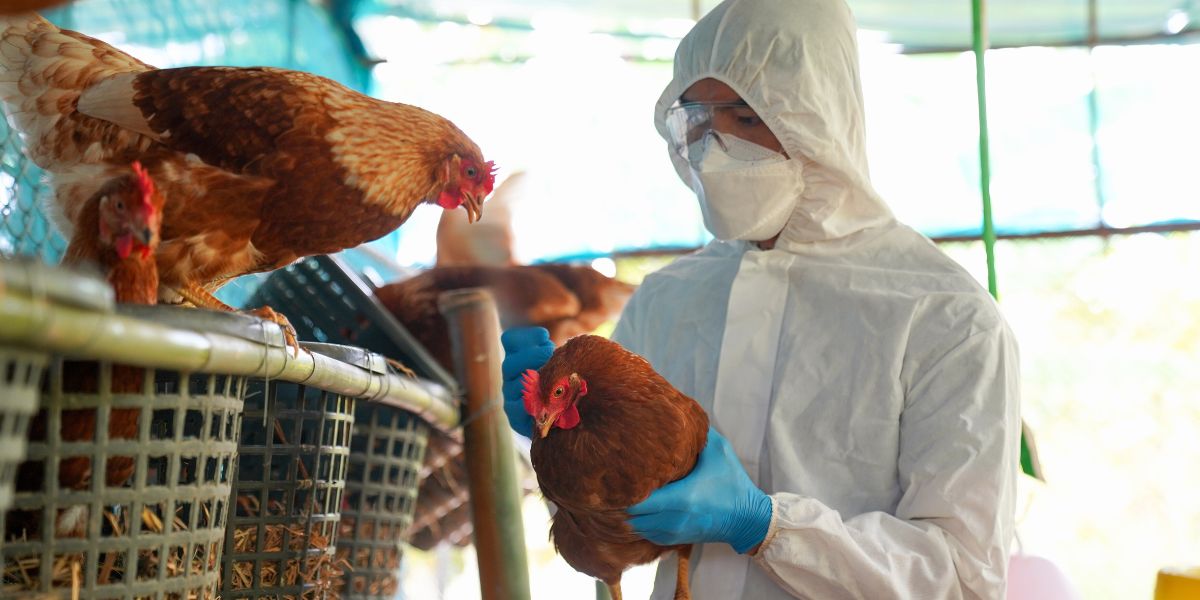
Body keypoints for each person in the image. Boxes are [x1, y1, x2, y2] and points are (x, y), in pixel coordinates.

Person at [501, 0, 1021, 598]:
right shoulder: (668, 299)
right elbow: (612, 515)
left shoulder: (945, 317)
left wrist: (766, 526)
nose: (714, 146)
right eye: (698, 119)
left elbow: (961, 577)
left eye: (746, 117)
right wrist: (553, 436)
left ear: (818, 117)